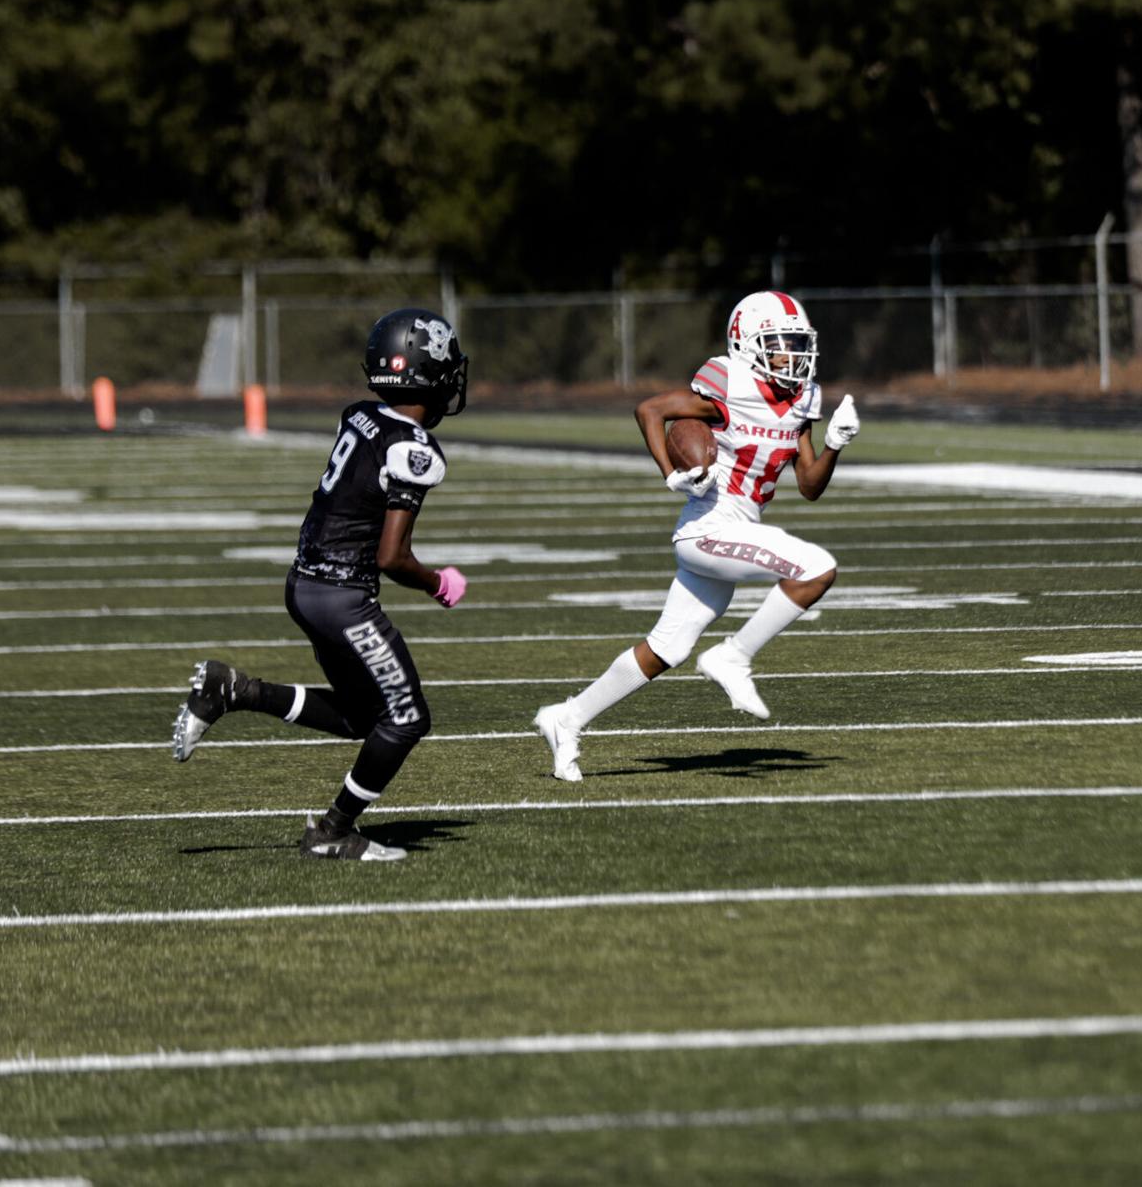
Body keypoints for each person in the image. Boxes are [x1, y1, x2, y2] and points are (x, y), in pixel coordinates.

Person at [172, 308, 470, 859]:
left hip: (304, 584)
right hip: (342, 597)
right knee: (406, 719)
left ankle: (234, 690)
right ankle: (333, 831)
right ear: (430, 374)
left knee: (361, 716)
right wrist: (436, 582)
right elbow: (391, 557)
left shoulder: (360, 415)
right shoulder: (415, 450)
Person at [534, 289, 859, 782]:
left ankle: (566, 718)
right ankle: (734, 655)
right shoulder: (730, 382)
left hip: (736, 531)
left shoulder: (801, 398)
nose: (793, 355)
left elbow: (810, 486)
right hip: (708, 529)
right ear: (747, 345)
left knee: (667, 648)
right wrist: (671, 474)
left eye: (797, 343)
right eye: (780, 344)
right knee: (817, 568)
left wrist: (834, 444)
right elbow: (650, 410)